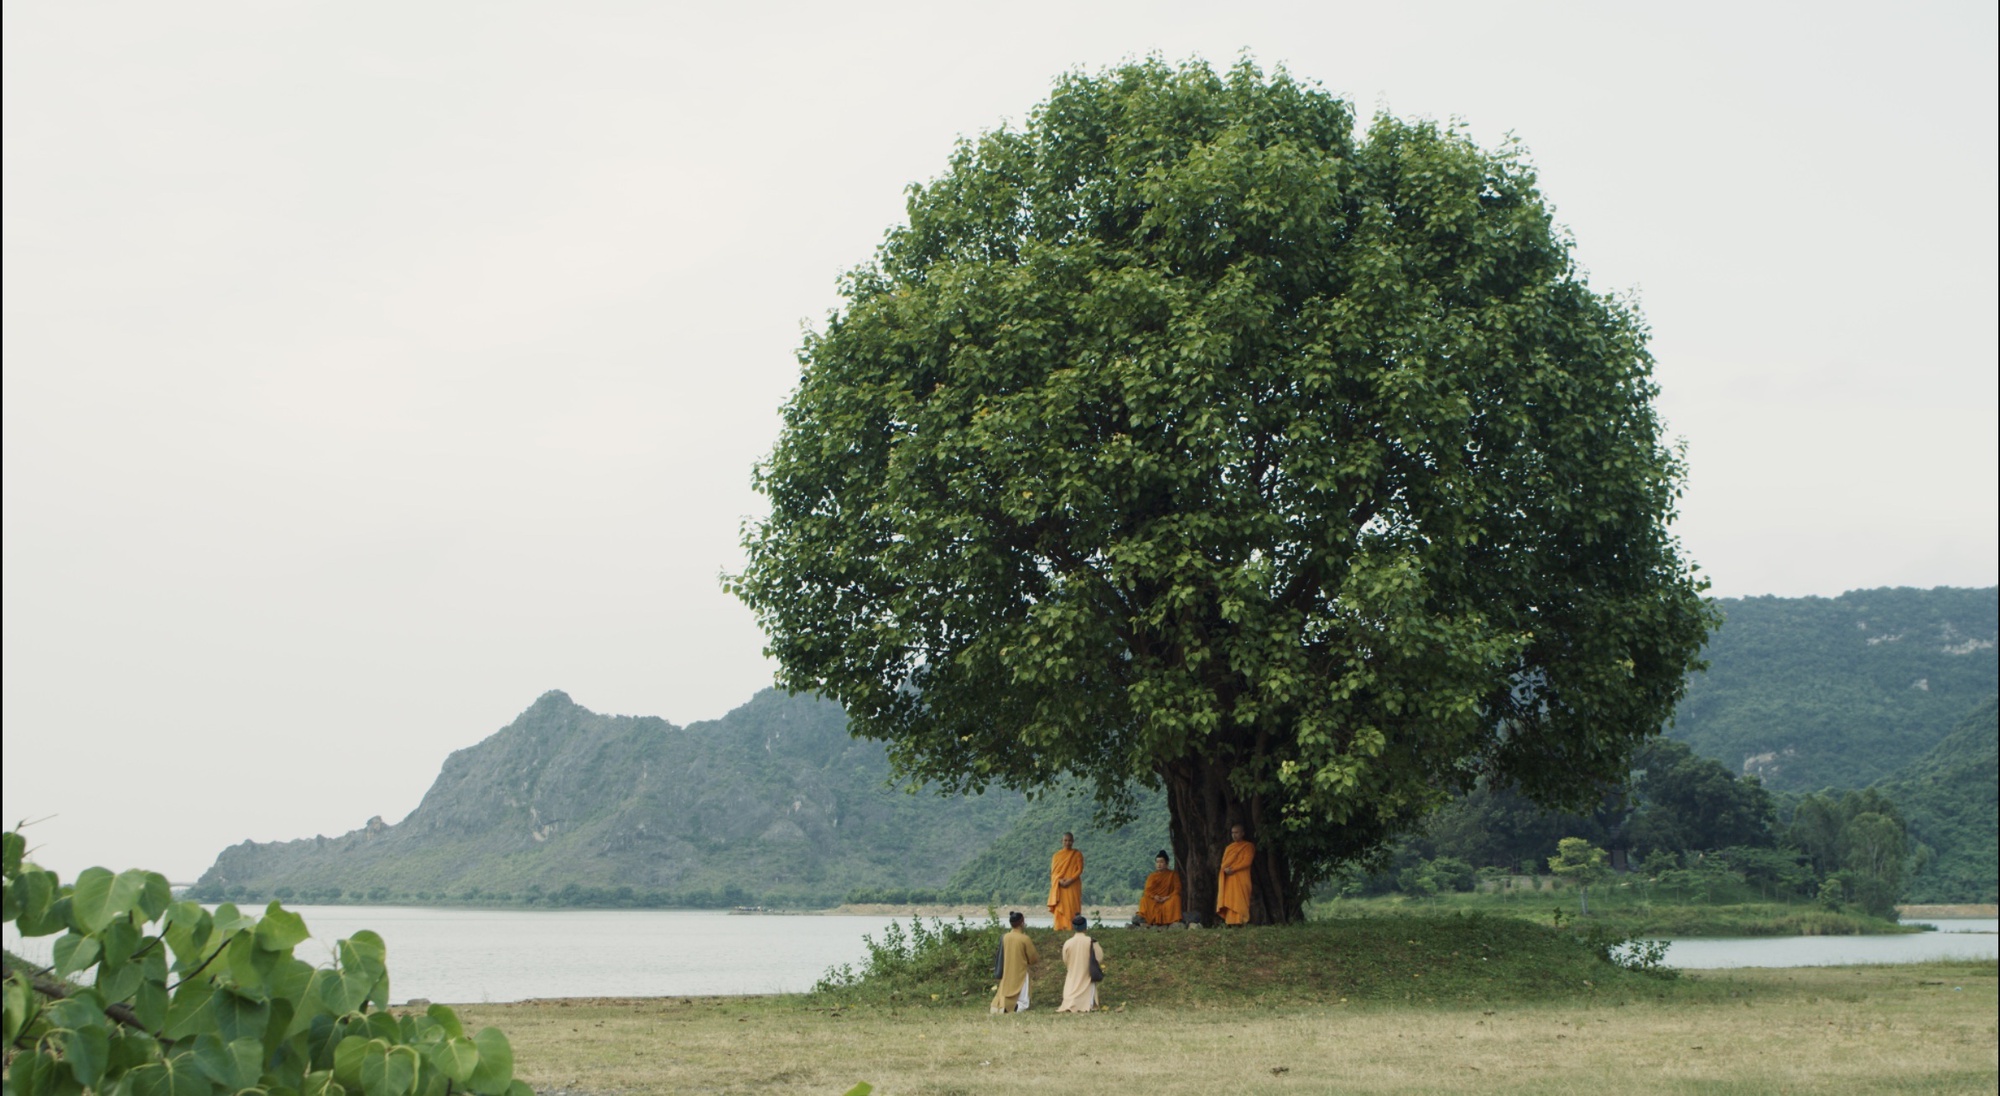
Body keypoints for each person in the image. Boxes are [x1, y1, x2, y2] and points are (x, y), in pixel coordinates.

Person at [990, 910, 1040, 1013]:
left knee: (1004, 992)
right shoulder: (1024, 938)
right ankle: (1017, 1007)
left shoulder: (1005, 937)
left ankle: (1003, 1006)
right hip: (1020, 972)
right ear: (1022, 922)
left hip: (1007, 971)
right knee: (1023, 999)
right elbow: (1033, 958)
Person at [1056, 913, 1104, 1012]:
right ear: (1085, 927)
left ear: (1074, 927)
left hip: (1072, 974)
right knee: (1087, 989)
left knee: (1071, 987)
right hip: (1087, 974)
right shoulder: (1091, 942)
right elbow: (1099, 958)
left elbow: (1065, 960)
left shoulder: (1068, 943)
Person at [1215, 823, 1255, 926]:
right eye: (1232, 833)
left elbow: (1247, 862)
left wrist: (1233, 869)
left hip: (1242, 877)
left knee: (1240, 899)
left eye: (1236, 832)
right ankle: (1231, 922)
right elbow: (1223, 863)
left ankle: (1242, 921)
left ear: (1242, 833)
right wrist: (1225, 869)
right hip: (1230, 878)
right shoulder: (1229, 848)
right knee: (1230, 899)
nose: (1234, 835)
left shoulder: (1248, 846)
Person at [1047, 831, 1083, 929]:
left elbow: (1079, 870)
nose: (1067, 843)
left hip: (1073, 884)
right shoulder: (1056, 856)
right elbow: (1053, 873)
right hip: (1060, 885)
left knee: (1072, 906)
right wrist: (1059, 881)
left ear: (1073, 841)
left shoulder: (1077, 854)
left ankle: (1073, 926)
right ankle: (1059, 926)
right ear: (1061, 841)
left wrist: (1070, 880)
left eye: (1070, 841)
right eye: (1065, 840)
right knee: (1060, 906)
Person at [1137, 850, 1183, 926]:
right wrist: (1154, 896)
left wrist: (1167, 897)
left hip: (1167, 900)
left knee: (1176, 898)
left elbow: (1177, 889)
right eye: (1157, 862)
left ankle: (1172, 921)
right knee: (1144, 900)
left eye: (1161, 862)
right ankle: (1146, 920)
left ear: (1167, 863)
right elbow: (1147, 891)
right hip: (1155, 901)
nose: (1159, 864)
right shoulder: (1152, 876)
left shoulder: (1173, 874)